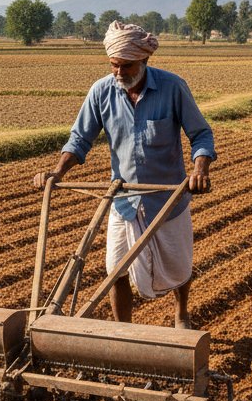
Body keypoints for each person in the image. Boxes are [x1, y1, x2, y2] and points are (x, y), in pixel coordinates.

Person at [33, 21, 215, 328]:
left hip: (167, 198)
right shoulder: (102, 91)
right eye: (114, 66)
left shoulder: (173, 88)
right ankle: (122, 331)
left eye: (126, 66)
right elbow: (80, 139)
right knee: (115, 269)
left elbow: (201, 135)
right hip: (124, 199)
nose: (119, 73)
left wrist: (200, 170)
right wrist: (57, 171)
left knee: (179, 265)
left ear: (144, 60)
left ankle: (181, 315)